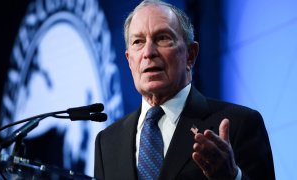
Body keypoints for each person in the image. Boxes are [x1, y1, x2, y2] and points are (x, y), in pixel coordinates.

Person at [94, 0, 275, 179]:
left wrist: (232, 177)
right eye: (138, 42)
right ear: (129, 60)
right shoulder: (107, 142)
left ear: (190, 55)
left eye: (162, 38)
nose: (148, 52)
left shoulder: (241, 123)